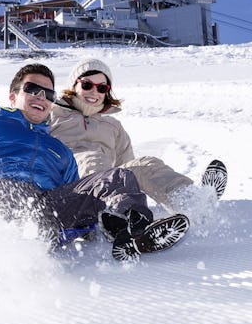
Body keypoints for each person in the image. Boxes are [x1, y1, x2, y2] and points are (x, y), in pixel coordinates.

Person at [0, 63, 188, 260]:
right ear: (13, 96)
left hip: (46, 210)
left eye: (48, 94)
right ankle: (14, 250)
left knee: (117, 178)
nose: (40, 97)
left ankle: (133, 232)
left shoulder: (58, 149)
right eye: (32, 89)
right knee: (7, 189)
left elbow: (78, 197)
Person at [49, 58, 227, 218]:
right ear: (74, 86)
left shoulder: (113, 126)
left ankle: (191, 201)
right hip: (69, 193)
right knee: (92, 158)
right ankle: (114, 219)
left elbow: (126, 172)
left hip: (106, 186)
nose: (94, 92)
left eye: (102, 87)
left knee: (143, 165)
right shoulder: (51, 114)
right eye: (87, 85)